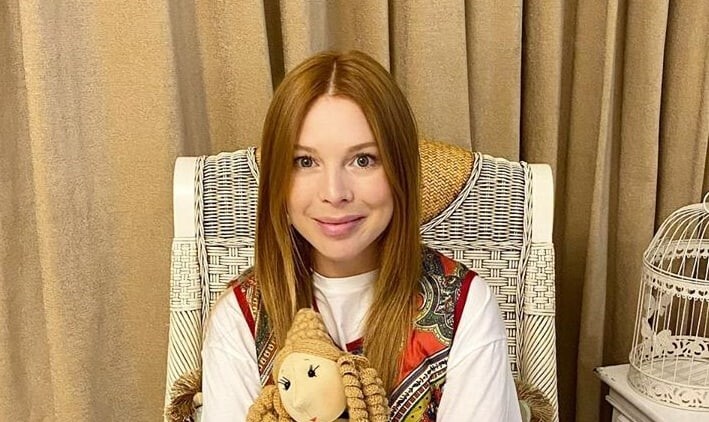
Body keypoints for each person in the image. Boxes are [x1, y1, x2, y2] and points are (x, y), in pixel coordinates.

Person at [201, 50, 522, 421]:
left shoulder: (465, 306)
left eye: (363, 160)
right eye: (305, 161)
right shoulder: (241, 316)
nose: (334, 193)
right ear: (278, 181)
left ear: (400, 170)